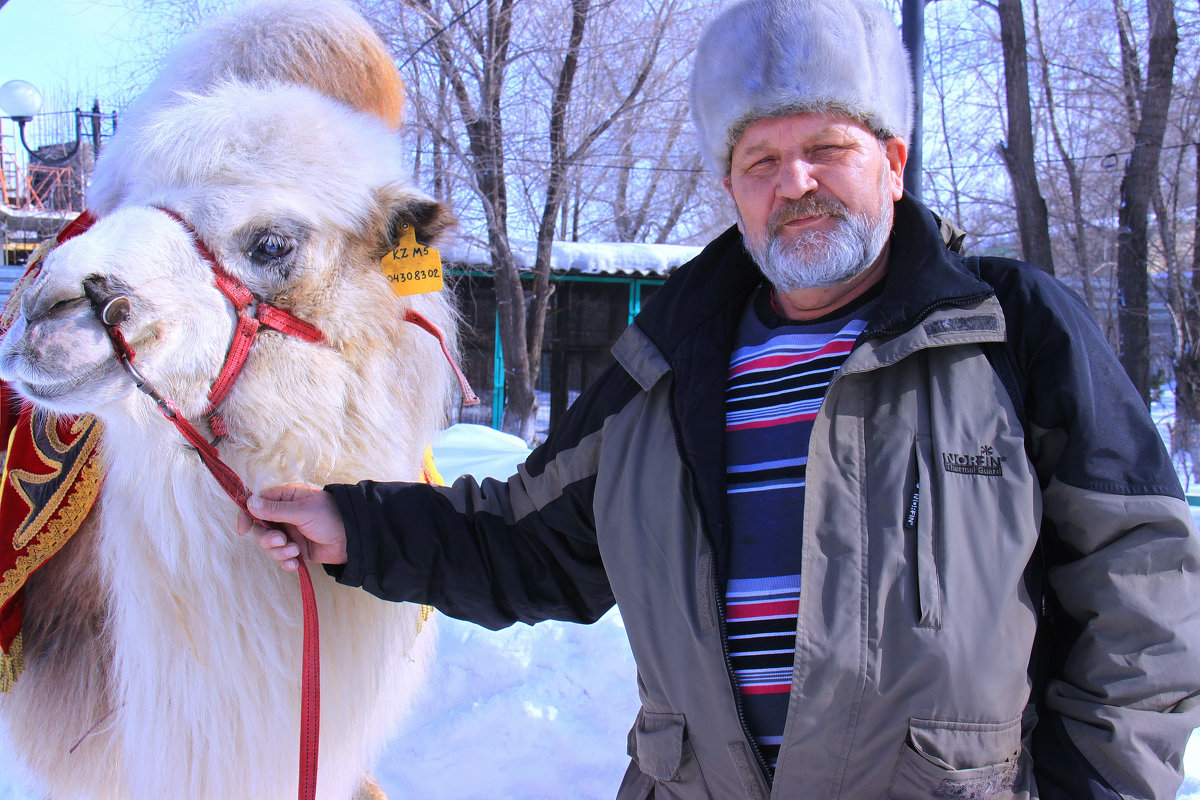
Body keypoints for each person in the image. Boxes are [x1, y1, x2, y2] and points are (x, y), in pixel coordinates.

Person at [243, 0, 1200, 796]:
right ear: (732, 187)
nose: (798, 182)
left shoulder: (1009, 329)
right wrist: (356, 525)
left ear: (893, 162)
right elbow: (532, 540)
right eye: (762, 160)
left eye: (829, 147)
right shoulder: (665, 365)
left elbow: (1143, 594)